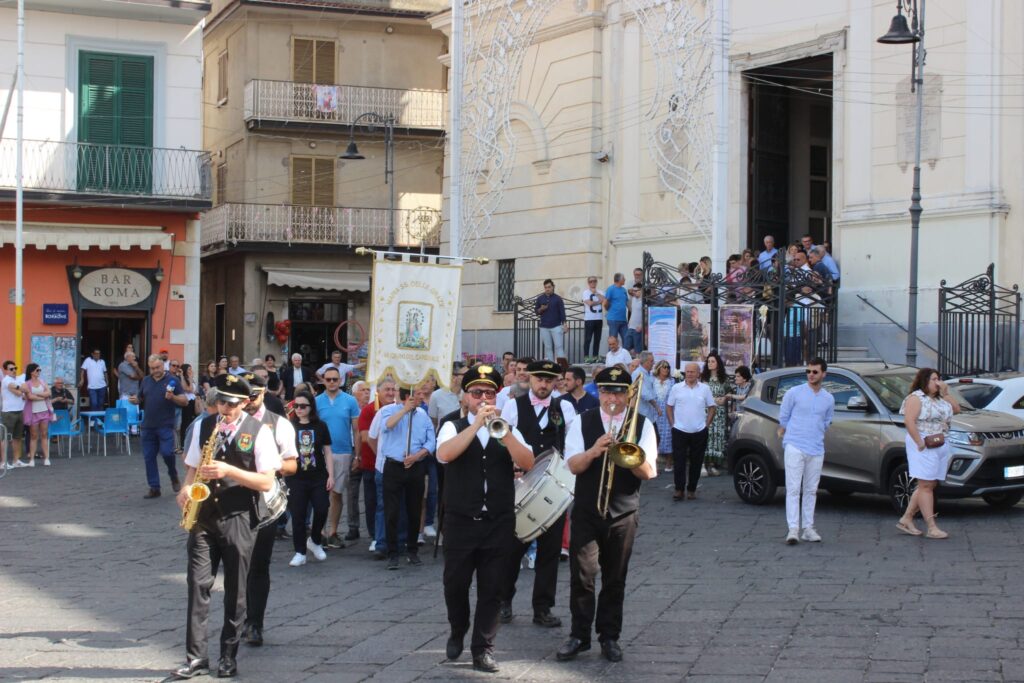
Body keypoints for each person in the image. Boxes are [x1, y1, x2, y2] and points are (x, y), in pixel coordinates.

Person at [171, 374, 280, 681]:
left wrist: (229, 469)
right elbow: (193, 464)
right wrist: (185, 488)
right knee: (197, 585)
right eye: (220, 402)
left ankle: (228, 656)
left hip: (239, 518)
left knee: (235, 590)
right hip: (204, 516)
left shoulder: (259, 432)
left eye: (230, 404)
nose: (224, 409)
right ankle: (195, 657)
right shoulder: (206, 426)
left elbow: (267, 481)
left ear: (244, 403)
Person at [436, 364, 536, 673]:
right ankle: (458, 628)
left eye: (489, 392)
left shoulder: (507, 427)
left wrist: (504, 435)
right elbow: (445, 455)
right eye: (476, 392)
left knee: (493, 588)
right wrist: (476, 424)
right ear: (464, 398)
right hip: (460, 520)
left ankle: (483, 649)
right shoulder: (452, 425)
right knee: (455, 584)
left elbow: (528, 461)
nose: (483, 397)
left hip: (497, 520)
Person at [556, 366, 657, 663]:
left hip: (623, 513)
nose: (611, 398)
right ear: (597, 393)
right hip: (587, 510)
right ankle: (579, 635)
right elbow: (573, 465)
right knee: (582, 576)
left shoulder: (643, 424)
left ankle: (610, 637)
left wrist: (627, 455)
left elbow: (649, 472)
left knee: (615, 578)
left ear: (627, 395)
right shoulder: (581, 422)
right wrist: (594, 451)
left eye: (617, 392)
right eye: (605, 391)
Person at [498, 360, 575, 629]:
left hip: (553, 488)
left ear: (556, 382)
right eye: (539, 379)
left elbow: (572, 442)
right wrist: (511, 465)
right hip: (521, 486)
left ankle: (543, 608)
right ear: (530, 379)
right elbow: (502, 438)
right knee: (512, 549)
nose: (543, 385)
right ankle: (503, 601)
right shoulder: (513, 405)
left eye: (549, 380)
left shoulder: (564, 407)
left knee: (550, 552)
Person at [239, 372, 297, 647]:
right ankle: (236, 619)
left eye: (253, 396)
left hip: (264, 501)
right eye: (244, 396)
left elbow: (292, 465)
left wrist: (269, 465)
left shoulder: (279, 425)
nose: (248, 402)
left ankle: (255, 623)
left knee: (259, 566)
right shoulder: (229, 421)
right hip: (233, 498)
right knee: (235, 566)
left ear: (264, 394)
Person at [374, 383, 435, 569]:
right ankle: (393, 552)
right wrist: (404, 411)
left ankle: (412, 550)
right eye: (418, 394)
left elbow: (431, 440)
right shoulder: (388, 410)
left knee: (414, 510)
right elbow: (387, 426)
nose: (422, 397)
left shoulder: (423, 416)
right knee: (391, 511)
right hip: (393, 467)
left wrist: (418, 455)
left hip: (415, 467)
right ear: (406, 396)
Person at [777, 357, 835, 545]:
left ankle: (808, 528)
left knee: (811, 489)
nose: (811, 375)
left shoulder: (828, 398)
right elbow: (784, 416)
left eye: (815, 372)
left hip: (816, 447)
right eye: (808, 371)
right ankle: (793, 528)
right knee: (793, 488)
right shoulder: (794, 393)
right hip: (795, 444)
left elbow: (827, 422)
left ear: (823, 374)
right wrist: (785, 434)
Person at [897, 368, 959, 540]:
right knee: (925, 485)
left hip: (940, 442)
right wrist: (920, 443)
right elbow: (909, 420)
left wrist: (946, 392)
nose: (937, 382)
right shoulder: (916, 398)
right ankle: (931, 527)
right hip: (924, 442)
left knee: (929, 484)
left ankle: (907, 518)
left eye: (939, 378)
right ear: (924, 381)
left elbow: (956, 409)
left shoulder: (940, 399)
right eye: (934, 379)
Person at [286, 390, 334, 566]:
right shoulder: (289, 426)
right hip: (296, 477)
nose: (298, 409)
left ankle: (315, 540)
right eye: (295, 405)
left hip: (318, 476)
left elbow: (328, 451)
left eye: (303, 406)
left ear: (310, 407)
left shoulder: (320, 426)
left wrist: (331, 475)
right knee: (298, 515)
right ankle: (300, 551)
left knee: (322, 508)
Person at [131, 355, 188, 498]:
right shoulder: (145, 381)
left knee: (167, 453)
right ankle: (154, 487)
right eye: (152, 368)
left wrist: (173, 398)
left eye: (157, 367)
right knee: (149, 457)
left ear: (163, 366)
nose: (155, 370)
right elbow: (140, 398)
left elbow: (184, 401)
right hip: (148, 426)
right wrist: (135, 400)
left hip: (165, 425)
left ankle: (173, 474)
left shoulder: (172, 381)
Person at [317, 367, 360, 548]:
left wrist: (357, 455)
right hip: (321, 453)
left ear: (340, 380)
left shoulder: (350, 401)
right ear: (324, 381)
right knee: (320, 494)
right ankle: (320, 531)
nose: (332, 382)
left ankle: (333, 531)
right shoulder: (316, 401)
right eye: (329, 379)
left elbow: (356, 430)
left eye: (335, 379)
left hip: (343, 452)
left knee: (337, 493)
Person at [351, 378, 396, 551]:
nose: (390, 393)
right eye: (387, 389)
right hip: (372, 463)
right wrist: (383, 456)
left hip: (393, 465)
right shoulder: (369, 410)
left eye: (393, 389)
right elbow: (365, 437)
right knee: (372, 502)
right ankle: (374, 535)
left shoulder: (398, 409)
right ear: (378, 392)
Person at [666, 362, 715, 501]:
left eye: (692, 371)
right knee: (679, 461)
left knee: (697, 461)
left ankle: (692, 489)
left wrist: (707, 425)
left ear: (698, 373)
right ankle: (679, 489)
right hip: (679, 429)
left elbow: (712, 407)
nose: (689, 374)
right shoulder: (676, 388)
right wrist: (672, 424)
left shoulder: (705, 389)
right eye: (687, 371)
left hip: (699, 430)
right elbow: (669, 407)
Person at [701, 352, 731, 476]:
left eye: (713, 361)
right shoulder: (703, 379)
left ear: (718, 363)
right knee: (705, 436)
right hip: (706, 412)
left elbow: (729, 394)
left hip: (719, 413)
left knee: (716, 437)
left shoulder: (724, 379)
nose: (710, 364)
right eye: (708, 361)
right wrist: (713, 400)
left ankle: (712, 464)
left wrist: (725, 398)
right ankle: (702, 465)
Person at [22, 363, 53, 467]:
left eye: (39, 370)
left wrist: (38, 394)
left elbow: (49, 393)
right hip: (33, 413)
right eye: (37, 370)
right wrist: (42, 396)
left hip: (44, 411)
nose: (39, 372)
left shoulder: (42, 382)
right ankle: (31, 459)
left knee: (44, 434)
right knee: (34, 436)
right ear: (32, 372)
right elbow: (30, 397)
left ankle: (47, 458)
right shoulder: (26, 383)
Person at [535, 279, 568, 362]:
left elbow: (562, 312)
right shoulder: (540, 298)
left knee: (559, 347)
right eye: (545, 287)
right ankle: (551, 366)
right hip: (544, 327)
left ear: (553, 287)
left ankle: (561, 367)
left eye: (549, 287)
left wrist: (565, 325)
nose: (547, 289)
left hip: (556, 326)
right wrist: (541, 309)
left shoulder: (558, 298)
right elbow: (536, 312)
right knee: (548, 347)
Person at [2, 361, 26, 469]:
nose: (14, 370)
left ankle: (16, 460)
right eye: (11, 369)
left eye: (15, 368)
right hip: (9, 412)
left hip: (20, 410)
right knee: (5, 438)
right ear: (6, 371)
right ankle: (3, 462)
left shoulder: (17, 380)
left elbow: (22, 390)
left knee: (18, 437)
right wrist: (21, 389)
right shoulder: (6, 380)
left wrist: (20, 389)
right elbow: (20, 391)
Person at [652, 360, 675, 472]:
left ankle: (669, 463)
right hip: (654, 411)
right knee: (654, 436)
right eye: (664, 367)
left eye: (668, 367)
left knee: (668, 436)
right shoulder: (653, 380)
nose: (666, 369)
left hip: (667, 411)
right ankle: (653, 462)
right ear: (659, 368)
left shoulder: (672, 381)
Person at [581, 277, 605, 362]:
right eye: (591, 281)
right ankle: (586, 357)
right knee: (588, 339)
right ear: (588, 283)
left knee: (597, 339)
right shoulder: (585, 292)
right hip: (589, 319)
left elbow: (605, 300)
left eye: (594, 281)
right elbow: (589, 303)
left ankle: (595, 356)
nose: (593, 283)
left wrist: (596, 293)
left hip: (599, 318)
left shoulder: (601, 292)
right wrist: (599, 301)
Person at [603, 273, 629, 342]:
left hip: (623, 319)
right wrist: (609, 311)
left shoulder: (624, 290)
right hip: (613, 319)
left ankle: (625, 353)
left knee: (626, 339)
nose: (625, 279)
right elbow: (605, 303)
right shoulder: (611, 289)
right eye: (623, 278)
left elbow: (627, 303)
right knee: (613, 340)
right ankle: (611, 353)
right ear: (619, 280)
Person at [179, 364, 198, 453]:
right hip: (187, 402)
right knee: (185, 423)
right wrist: (187, 377)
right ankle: (183, 443)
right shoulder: (184, 379)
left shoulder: (191, 379)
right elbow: (188, 389)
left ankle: (190, 442)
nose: (191, 370)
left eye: (191, 369)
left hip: (193, 401)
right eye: (189, 369)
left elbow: (194, 390)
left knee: (191, 422)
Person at [624, 283, 644, 355]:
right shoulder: (633, 299)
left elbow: (646, 315)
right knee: (625, 348)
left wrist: (641, 325)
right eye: (633, 291)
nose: (634, 292)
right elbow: (629, 291)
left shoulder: (644, 302)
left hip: (638, 328)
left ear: (641, 290)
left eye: (636, 291)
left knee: (638, 350)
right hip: (630, 327)